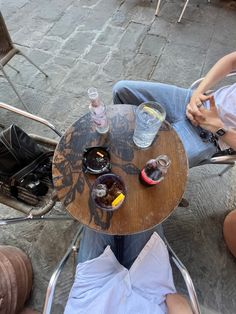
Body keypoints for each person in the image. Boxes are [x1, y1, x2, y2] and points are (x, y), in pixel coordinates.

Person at [112, 51, 236, 168]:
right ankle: (128, 137)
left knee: (151, 166)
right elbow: (231, 61)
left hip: (212, 136)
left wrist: (219, 129)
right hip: (194, 101)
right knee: (121, 90)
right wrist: (197, 94)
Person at [65, 226, 193, 314]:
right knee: (145, 206)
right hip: (149, 289)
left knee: (98, 203)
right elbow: (175, 302)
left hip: (93, 292)